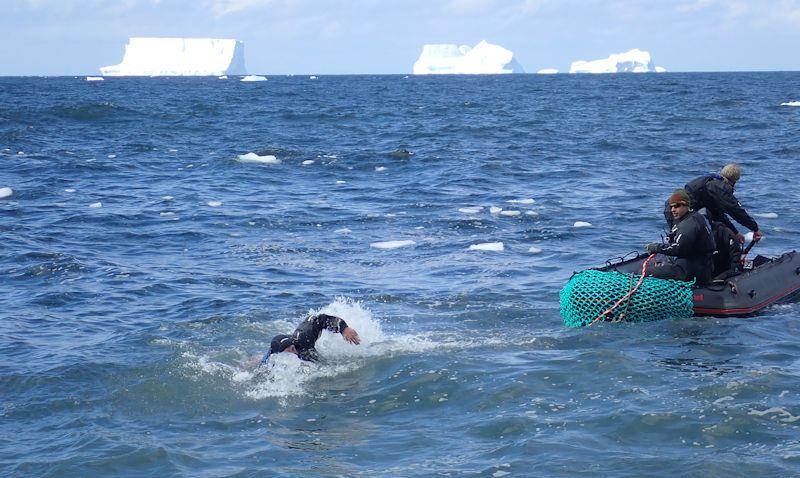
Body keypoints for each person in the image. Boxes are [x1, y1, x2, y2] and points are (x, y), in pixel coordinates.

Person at [666, 163, 763, 244]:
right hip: (681, 211)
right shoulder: (720, 188)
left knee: (680, 239)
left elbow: (717, 214)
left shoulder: (710, 182)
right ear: (735, 180)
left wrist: (735, 232)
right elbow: (735, 210)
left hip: (672, 208)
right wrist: (755, 228)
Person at [646, 189, 716, 283]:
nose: (673, 210)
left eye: (676, 206)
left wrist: (655, 247)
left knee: (646, 272)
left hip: (689, 271)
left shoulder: (688, 225)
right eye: (671, 207)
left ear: (686, 205)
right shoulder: (697, 217)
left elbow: (678, 249)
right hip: (703, 267)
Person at [261, 313, 360, 364]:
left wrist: (344, 328)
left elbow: (320, 319)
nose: (294, 352)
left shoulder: (303, 340)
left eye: (293, 348)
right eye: (290, 350)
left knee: (323, 365)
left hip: (308, 329)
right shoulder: (273, 353)